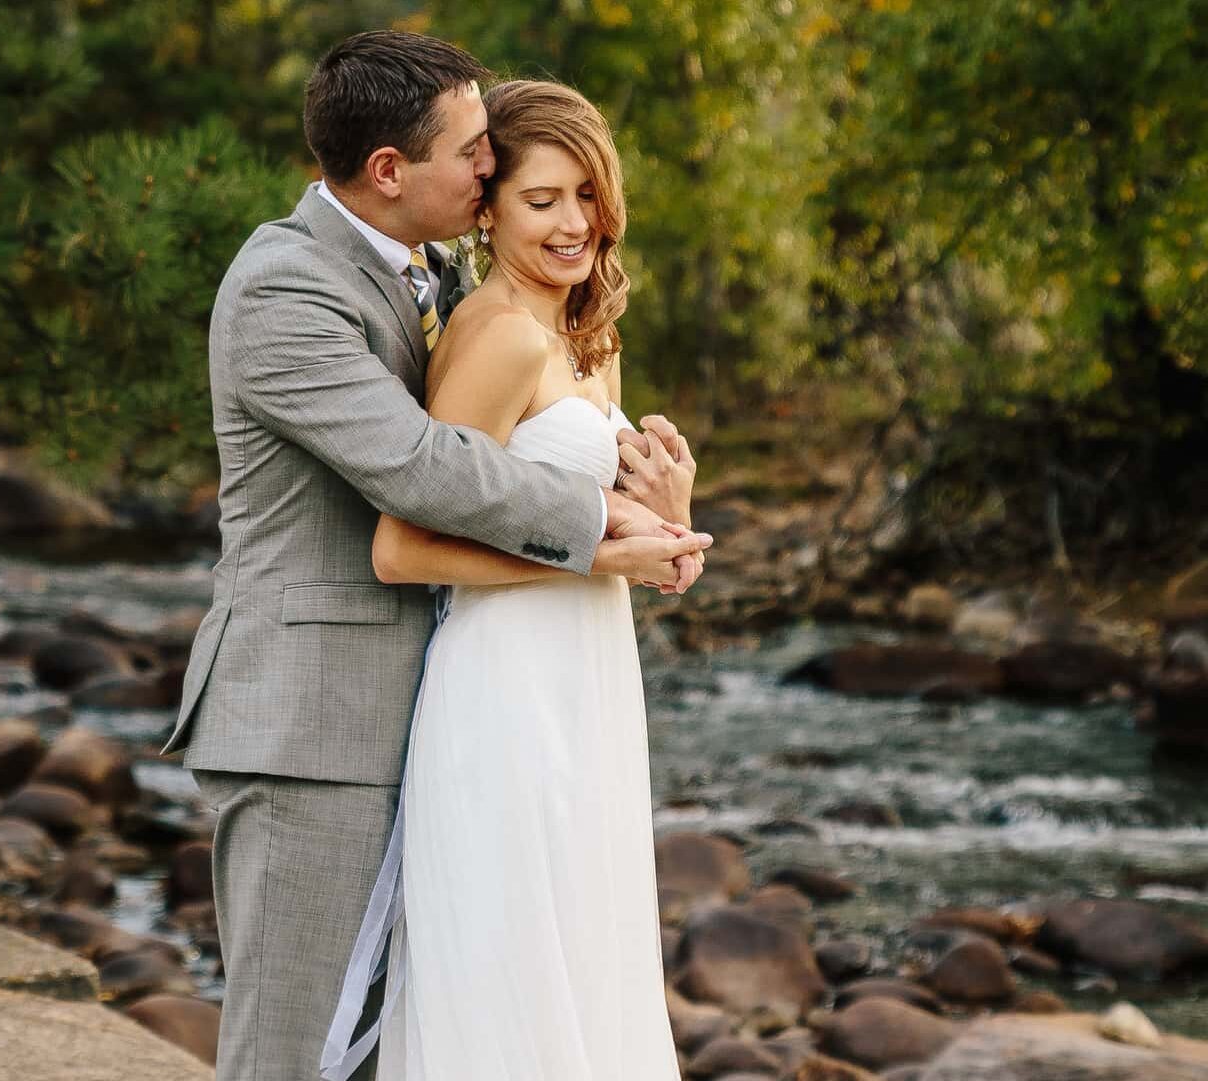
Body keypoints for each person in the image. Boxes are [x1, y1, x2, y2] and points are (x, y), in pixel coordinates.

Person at [163, 32, 709, 1081]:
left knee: (402, 1042)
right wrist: (602, 529)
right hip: (308, 722)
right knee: (292, 1052)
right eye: (475, 157)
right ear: (387, 171)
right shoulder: (287, 286)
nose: (486, 172)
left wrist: (655, 507)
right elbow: (421, 468)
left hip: (437, 704)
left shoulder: (436, 271)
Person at [320, 78, 690, 1081]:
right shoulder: (498, 336)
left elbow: (607, 533)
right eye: (542, 200)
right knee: (514, 972)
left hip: (589, 685)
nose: (574, 223)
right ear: (486, 209)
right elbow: (404, 548)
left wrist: (672, 516)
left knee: (584, 955)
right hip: (505, 693)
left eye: (587, 195)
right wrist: (605, 552)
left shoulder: (585, 335)